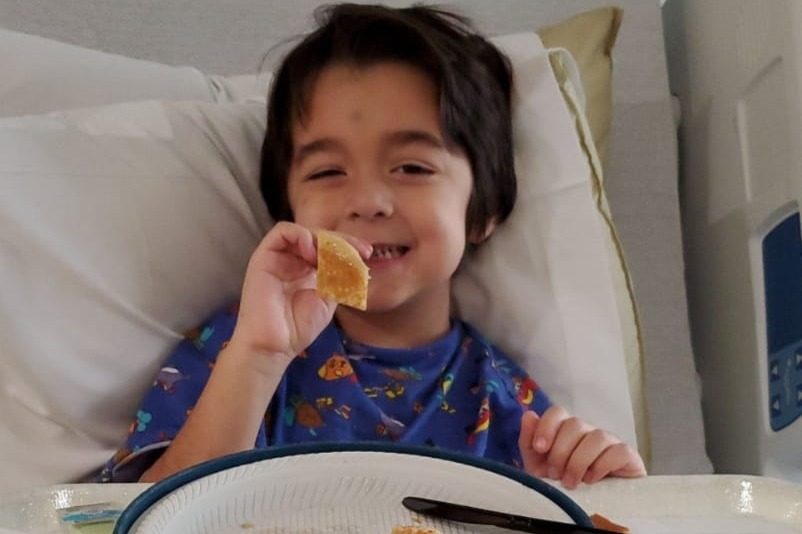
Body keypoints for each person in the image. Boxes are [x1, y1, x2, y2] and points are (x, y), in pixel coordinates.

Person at [99, 2, 646, 488]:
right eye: (327, 172)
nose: (367, 202)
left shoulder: (512, 408)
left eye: (412, 167)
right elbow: (152, 512)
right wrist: (259, 359)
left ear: (482, 212)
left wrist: (599, 482)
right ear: (289, 212)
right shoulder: (239, 347)